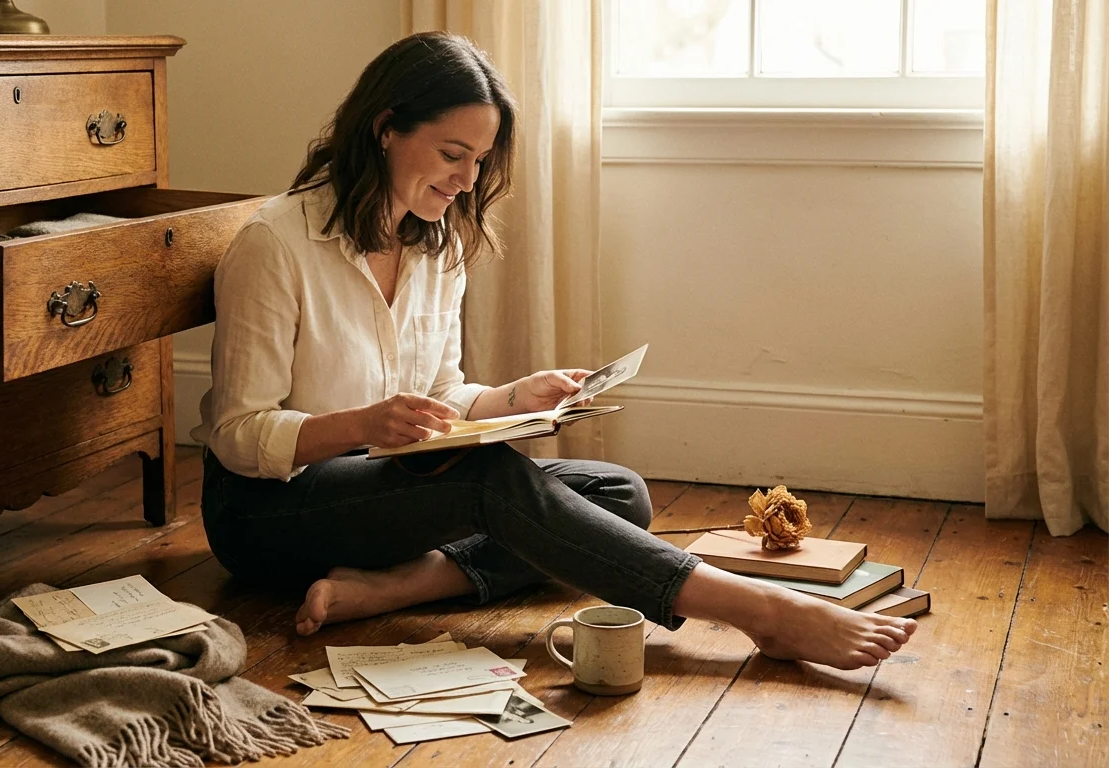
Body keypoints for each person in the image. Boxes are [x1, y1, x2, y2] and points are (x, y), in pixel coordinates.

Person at [191, 32, 915, 671]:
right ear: (385, 128)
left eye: (479, 159)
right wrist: (359, 426)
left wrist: (514, 398)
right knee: (486, 483)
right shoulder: (276, 245)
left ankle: (402, 584)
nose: (469, 180)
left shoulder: (437, 243)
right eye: (452, 154)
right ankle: (761, 612)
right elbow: (235, 436)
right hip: (266, 514)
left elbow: (440, 393)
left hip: (380, 492)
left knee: (618, 493)